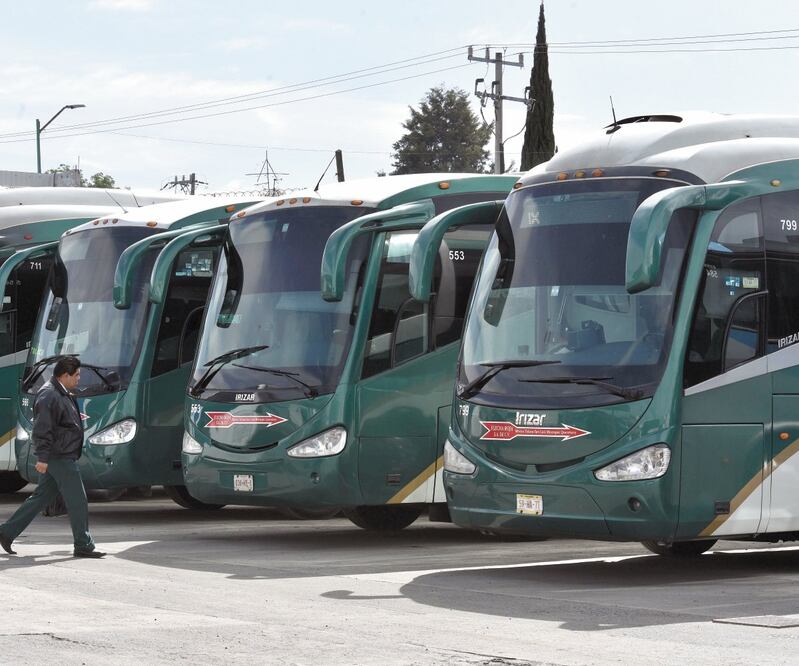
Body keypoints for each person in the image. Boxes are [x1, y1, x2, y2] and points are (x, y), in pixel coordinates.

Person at [0, 356, 105, 558]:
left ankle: (7, 532)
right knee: (78, 499)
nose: (78, 379)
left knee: (40, 497)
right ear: (65, 375)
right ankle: (83, 545)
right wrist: (42, 458)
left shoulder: (61, 391)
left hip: (60, 454)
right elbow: (42, 429)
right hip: (59, 456)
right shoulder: (49, 395)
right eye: (77, 375)